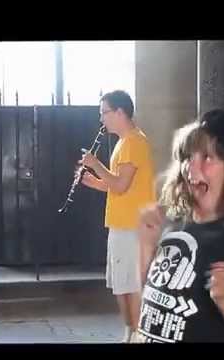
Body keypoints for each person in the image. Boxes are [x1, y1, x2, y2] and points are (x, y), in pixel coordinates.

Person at [134, 109, 224, 343]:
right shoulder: (176, 220)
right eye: (188, 157)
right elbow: (153, 295)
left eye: (207, 157)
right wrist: (147, 245)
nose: (191, 168)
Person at [79, 90, 156, 343]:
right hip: (122, 224)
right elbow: (118, 185)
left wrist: (94, 163)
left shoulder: (134, 141)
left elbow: (121, 185)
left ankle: (135, 335)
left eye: (105, 113)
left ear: (120, 112)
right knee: (122, 286)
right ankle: (131, 332)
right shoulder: (125, 142)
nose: (102, 119)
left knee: (130, 286)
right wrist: (92, 181)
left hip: (132, 226)